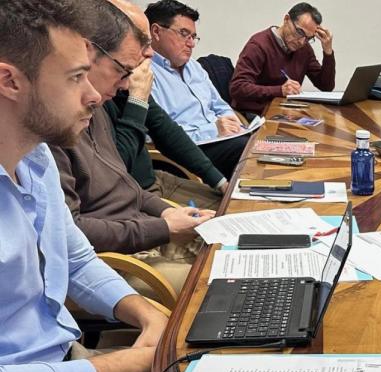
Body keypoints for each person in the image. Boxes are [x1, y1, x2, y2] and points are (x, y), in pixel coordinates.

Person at [0, 2, 238, 372]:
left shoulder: (29, 159)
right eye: (76, 77)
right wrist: (126, 367)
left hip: (64, 371)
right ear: (10, 79)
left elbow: (77, 258)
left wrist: (146, 317)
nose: (94, 95)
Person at [50, 0, 216, 297]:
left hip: (141, 232)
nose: (128, 83)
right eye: (123, 71)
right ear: (88, 51)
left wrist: (167, 215)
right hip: (118, 257)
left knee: (234, 247)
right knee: (220, 282)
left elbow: (127, 185)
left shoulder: (98, 103)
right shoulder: (54, 125)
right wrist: (163, 228)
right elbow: (72, 233)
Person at [104, 0, 227, 209]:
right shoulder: (92, 96)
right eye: (141, 41)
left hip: (156, 178)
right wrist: (137, 100)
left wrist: (219, 180)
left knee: (230, 201)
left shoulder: (126, 79)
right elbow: (113, 170)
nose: (150, 52)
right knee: (220, 221)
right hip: (131, 195)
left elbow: (164, 128)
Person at [145, 0, 250, 180]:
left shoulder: (195, 67)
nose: (191, 44)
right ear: (156, 32)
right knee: (246, 152)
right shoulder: (145, 74)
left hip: (222, 139)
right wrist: (214, 130)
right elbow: (157, 136)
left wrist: (231, 120)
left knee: (258, 144)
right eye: (184, 34)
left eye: (193, 37)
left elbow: (220, 106)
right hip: (189, 151)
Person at [230, 2, 335, 115]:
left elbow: (326, 86)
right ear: (286, 19)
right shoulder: (258, 45)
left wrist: (327, 51)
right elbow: (238, 87)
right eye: (299, 32)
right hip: (255, 114)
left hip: (286, 112)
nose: (301, 41)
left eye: (308, 38)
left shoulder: (304, 49)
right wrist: (280, 90)